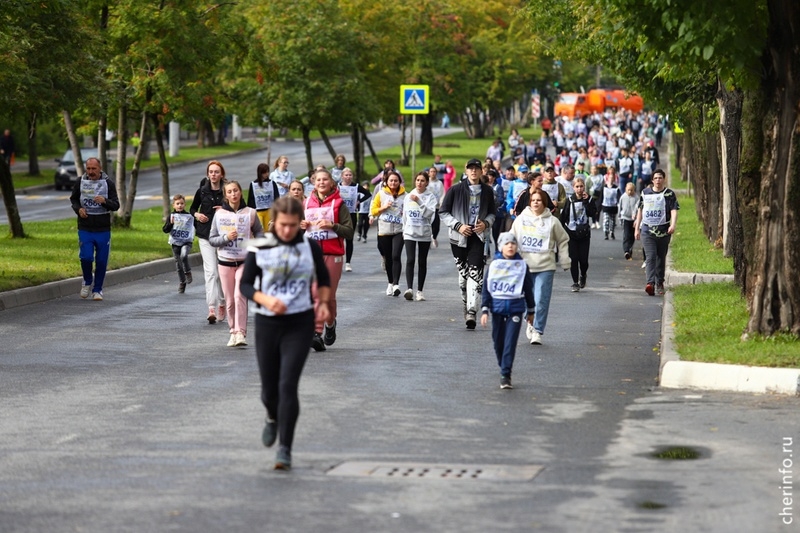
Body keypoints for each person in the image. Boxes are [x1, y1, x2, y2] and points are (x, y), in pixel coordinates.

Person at [240, 196, 331, 471]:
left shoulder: (309, 246)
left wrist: (323, 303)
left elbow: (323, 279)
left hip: (299, 322)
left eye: (293, 225)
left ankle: (285, 450)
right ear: (274, 223)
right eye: (283, 225)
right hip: (268, 323)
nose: (288, 230)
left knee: (287, 385)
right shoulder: (261, 245)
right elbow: (246, 285)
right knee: (269, 392)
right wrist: (266, 300)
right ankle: (271, 416)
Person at [300, 169, 354, 351]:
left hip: (333, 254)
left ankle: (330, 323)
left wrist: (333, 225)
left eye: (325, 180)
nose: (321, 183)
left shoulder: (339, 204)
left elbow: (349, 231)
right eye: (318, 180)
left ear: (331, 183)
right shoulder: (306, 203)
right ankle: (316, 333)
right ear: (313, 183)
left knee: (328, 296)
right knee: (316, 293)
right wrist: (301, 226)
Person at [439, 158, 496, 329]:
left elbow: (492, 213)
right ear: (466, 171)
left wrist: (485, 223)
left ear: (481, 171)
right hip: (458, 238)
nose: (473, 171)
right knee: (464, 278)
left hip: (478, 237)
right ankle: (466, 304)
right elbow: (443, 212)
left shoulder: (487, 191)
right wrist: (458, 226)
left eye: (476, 168)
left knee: (475, 274)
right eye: (470, 168)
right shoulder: (455, 190)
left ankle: (472, 311)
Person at [209, 181, 264, 347]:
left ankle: (241, 332)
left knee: (240, 295)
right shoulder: (219, 214)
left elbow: (259, 232)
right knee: (230, 300)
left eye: (236, 191)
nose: (233, 194)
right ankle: (232, 331)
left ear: (240, 192)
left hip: (244, 261)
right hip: (225, 261)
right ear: (226, 195)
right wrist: (226, 238)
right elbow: (212, 239)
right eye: (230, 192)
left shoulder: (250, 213)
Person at [511, 190, 570, 345]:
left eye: (539, 200)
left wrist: (564, 259)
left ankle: (537, 330)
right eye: (533, 200)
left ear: (544, 203)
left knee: (541, 300)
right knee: (527, 299)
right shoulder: (521, 220)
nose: (536, 203)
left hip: (545, 266)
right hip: (525, 266)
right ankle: (529, 321)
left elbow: (563, 240)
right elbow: (511, 238)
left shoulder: (552, 221)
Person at [480, 232, 535, 390]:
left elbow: (528, 289)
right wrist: (485, 310)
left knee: (510, 343)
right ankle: (503, 364)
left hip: (515, 309)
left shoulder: (522, 266)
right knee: (498, 342)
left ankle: (505, 374)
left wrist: (531, 310)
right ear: (500, 247)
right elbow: (486, 288)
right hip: (497, 309)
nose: (510, 246)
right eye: (506, 243)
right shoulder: (494, 266)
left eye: (513, 243)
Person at [69, 157, 120, 301]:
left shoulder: (108, 183)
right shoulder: (80, 182)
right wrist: (79, 210)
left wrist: (105, 201)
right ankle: (87, 281)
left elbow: (116, 205)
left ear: (100, 169)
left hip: (103, 229)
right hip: (85, 227)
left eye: (94, 169)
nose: (91, 172)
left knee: (101, 261)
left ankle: (97, 289)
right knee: (86, 257)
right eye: (88, 169)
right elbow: (74, 199)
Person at [190, 160, 226, 324]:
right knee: (211, 272)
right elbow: (192, 208)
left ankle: (222, 303)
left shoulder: (228, 190)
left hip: (223, 237)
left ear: (221, 174)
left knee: (221, 272)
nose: (213, 174)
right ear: (207, 174)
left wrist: (225, 209)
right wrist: (197, 215)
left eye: (216, 172)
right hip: (205, 235)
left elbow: (240, 208)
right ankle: (212, 307)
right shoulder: (202, 191)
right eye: (211, 172)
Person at [634, 169, 679, 296]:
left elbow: (674, 210)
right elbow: (640, 210)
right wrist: (637, 228)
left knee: (661, 257)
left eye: (660, 178)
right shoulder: (645, 193)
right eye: (656, 178)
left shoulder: (669, 194)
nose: (658, 180)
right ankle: (650, 283)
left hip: (663, 231)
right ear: (652, 180)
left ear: (664, 179)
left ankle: (659, 282)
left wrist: (673, 225)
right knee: (651, 256)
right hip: (647, 230)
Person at [402, 171, 437, 301]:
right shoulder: (408, 196)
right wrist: (404, 230)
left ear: (426, 183)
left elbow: (429, 214)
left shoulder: (430, 197)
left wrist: (419, 201)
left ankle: (420, 291)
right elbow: (405, 215)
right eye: (417, 180)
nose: (419, 183)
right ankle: (409, 289)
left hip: (424, 233)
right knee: (410, 260)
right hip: (410, 233)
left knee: (422, 261)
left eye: (422, 181)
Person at [370, 170, 406, 297]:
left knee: (396, 255)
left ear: (399, 182)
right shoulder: (381, 194)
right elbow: (373, 211)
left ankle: (396, 284)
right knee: (388, 257)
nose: (393, 183)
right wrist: (383, 207)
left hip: (399, 230)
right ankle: (390, 282)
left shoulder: (405, 195)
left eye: (396, 180)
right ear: (386, 182)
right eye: (391, 180)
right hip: (384, 230)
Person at [559, 178, 596, 292]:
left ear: (584, 187)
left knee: (583, 260)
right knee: (573, 259)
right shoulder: (569, 200)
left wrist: (587, 201)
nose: (579, 189)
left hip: (584, 234)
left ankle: (583, 275)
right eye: (577, 186)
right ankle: (575, 282)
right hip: (571, 233)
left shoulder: (589, 199)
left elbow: (592, 213)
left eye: (581, 186)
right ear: (573, 188)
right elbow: (563, 217)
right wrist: (560, 233)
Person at [162, 194, 195, 293]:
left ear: (185, 204)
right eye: (177, 204)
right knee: (178, 264)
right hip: (175, 243)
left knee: (184, 255)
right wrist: (170, 224)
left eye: (182, 203)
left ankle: (187, 272)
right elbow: (165, 230)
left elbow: (195, 226)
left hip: (186, 242)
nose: (180, 205)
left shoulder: (189, 216)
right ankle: (182, 282)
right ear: (173, 205)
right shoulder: (172, 216)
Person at [337, 168, 367, 272]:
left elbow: (368, 194)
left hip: (352, 214)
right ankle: (338, 260)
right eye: (346, 175)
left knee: (349, 239)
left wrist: (359, 201)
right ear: (342, 176)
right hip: (340, 214)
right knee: (338, 238)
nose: (348, 177)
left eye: (350, 175)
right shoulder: (338, 186)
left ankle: (348, 263)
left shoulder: (356, 186)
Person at [247, 163, 280, 231]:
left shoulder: (272, 183)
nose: (267, 174)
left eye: (267, 172)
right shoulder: (253, 184)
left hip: (269, 210)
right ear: (260, 173)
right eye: (264, 172)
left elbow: (277, 197)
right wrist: (250, 212)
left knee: (269, 230)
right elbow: (251, 199)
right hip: (258, 211)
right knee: (260, 230)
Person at [619, 182, 638, 261]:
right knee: (626, 235)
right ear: (625, 189)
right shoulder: (623, 197)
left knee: (632, 236)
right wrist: (620, 217)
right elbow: (620, 207)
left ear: (634, 190)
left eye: (631, 190)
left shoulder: (636, 198)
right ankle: (626, 250)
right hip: (625, 218)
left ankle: (630, 249)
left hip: (633, 220)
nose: (630, 192)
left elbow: (638, 208)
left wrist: (637, 218)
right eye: (628, 190)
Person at [600, 167, 621, 240]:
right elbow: (601, 197)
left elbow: (619, 197)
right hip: (606, 206)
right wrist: (599, 206)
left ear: (614, 179)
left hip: (613, 207)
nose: (611, 179)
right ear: (607, 179)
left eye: (612, 178)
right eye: (610, 178)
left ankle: (612, 232)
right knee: (606, 220)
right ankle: (606, 233)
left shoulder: (616, 188)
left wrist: (619, 204)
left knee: (612, 221)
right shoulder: (604, 187)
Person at [426, 166, 444, 248]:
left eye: (434, 172)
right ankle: (427, 239)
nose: (433, 173)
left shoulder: (439, 183)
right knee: (428, 224)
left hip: (436, 207)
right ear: (429, 173)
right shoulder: (426, 182)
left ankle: (434, 237)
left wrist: (441, 202)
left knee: (436, 225)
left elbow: (442, 193)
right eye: (431, 171)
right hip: (428, 207)